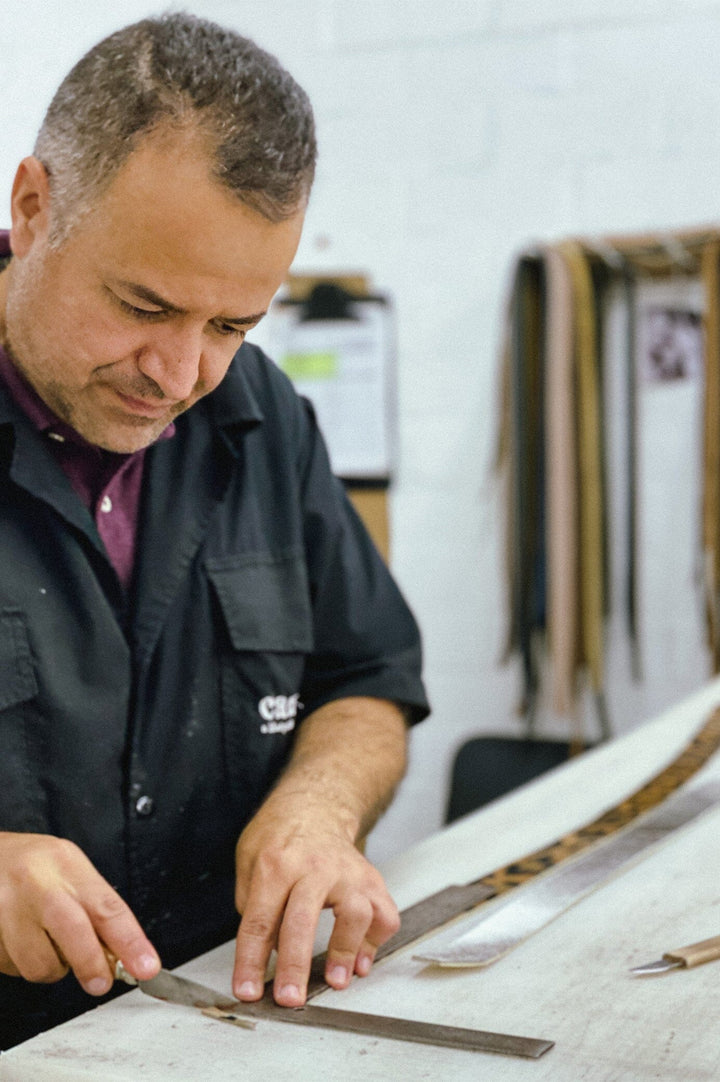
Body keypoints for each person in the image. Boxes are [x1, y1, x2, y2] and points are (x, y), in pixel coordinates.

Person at [0, 13, 428, 1048]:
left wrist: (320, 807)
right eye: (144, 303)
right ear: (32, 207)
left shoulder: (261, 416)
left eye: (232, 325)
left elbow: (367, 678)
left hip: (218, 1039)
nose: (180, 374)